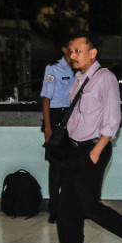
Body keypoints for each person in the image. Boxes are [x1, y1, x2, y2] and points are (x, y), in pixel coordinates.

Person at [48, 34, 122, 243]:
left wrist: (96, 151)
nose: (72, 55)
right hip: (75, 149)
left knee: (89, 206)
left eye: (77, 51)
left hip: (94, 148)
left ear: (92, 52)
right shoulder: (79, 79)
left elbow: (113, 118)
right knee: (66, 208)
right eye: (70, 51)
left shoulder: (105, 78)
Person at [41, 42, 74, 223]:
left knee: (72, 166)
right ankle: (54, 209)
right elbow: (46, 99)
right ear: (64, 49)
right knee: (56, 167)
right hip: (56, 119)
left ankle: (70, 207)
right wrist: (48, 127)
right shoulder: (53, 68)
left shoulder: (79, 69)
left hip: (73, 118)